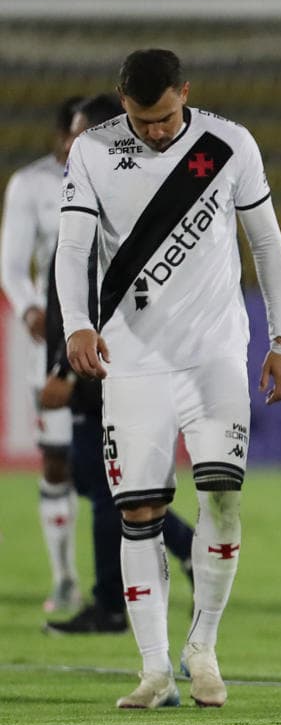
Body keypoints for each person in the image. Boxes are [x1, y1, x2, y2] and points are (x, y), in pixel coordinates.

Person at [58, 49, 281, 710]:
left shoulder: (227, 146)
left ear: (185, 94)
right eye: (143, 118)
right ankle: (154, 669)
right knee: (138, 510)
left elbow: (267, 242)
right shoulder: (94, 152)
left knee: (221, 497)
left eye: (166, 117)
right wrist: (77, 323)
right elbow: (75, 245)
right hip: (131, 361)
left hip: (215, 355)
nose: (157, 130)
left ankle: (204, 646)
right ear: (124, 103)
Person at [42, 94, 195, 636]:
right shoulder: (93, 186)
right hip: (94, 362)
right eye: (70, 136)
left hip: (104, 365)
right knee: (103, 481)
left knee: (112, 483)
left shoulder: (116, 196)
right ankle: (186, 550)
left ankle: (112, 602)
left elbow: (97, 288)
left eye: (83, 135)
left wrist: (63, 370)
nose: (71, 147)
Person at [3, 96, 84, 613]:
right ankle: (64, 577)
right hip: (55, 341)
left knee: (121, 466)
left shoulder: (130, 176)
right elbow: (12, 263)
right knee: (56, 459)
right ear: (61, 138)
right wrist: (32, 310)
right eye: (76, 134)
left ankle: (134, 579)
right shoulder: (31, 185)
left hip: (117, 345)